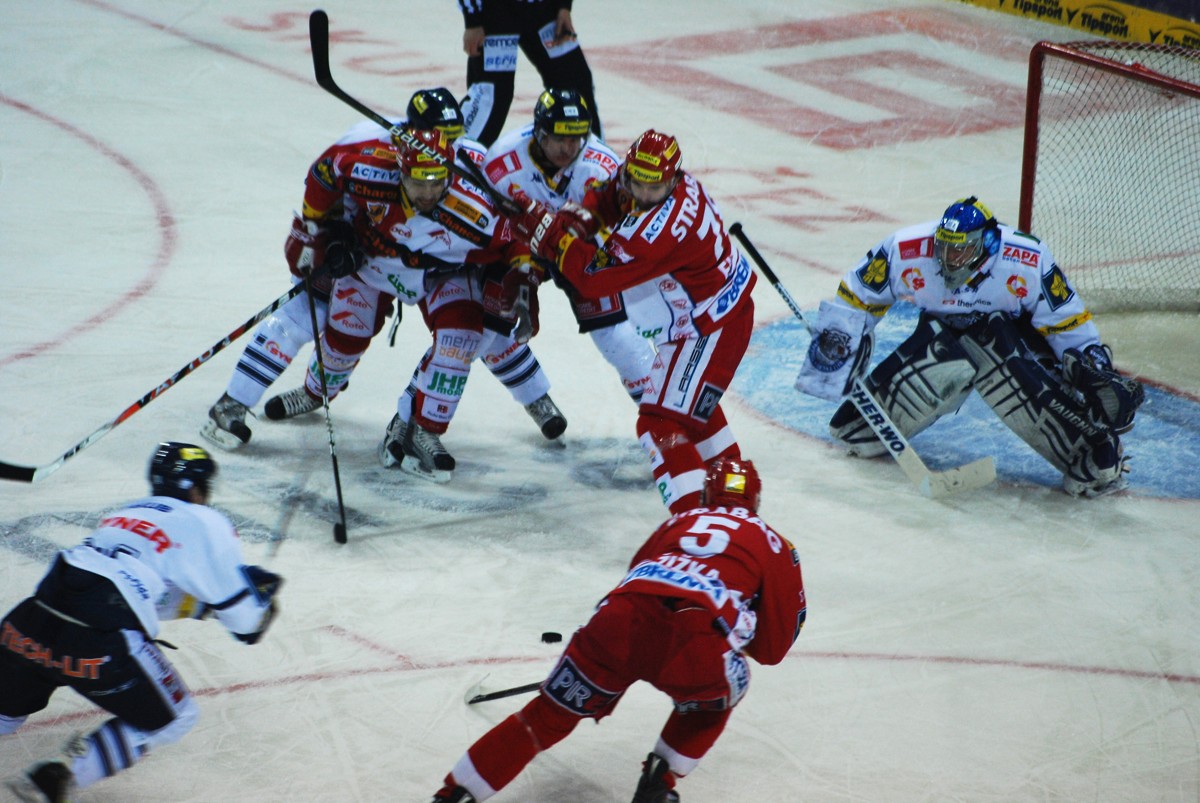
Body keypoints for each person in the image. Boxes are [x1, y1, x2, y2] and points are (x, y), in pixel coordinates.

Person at [428, 457, 806, 803]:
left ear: (706, 494)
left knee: (543, 718)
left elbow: (635, 579)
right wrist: (737, 625)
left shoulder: (676, 522)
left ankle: (454, 795)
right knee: (725, 690)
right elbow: (772, 650)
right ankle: (659, 784)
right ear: (756, 501)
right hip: (696, 638)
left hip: (617, 622)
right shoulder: (774, 543)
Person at [795, 196, 1145, 497]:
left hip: (1010, 345)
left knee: (995, 340)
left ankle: (1090, 446)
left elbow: (1066, 322)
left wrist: (1092, 367)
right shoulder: (905, 249)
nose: (949, 258)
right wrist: (838, 344)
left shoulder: (1026, 258)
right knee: (854, 434)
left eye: (960, 250)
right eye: (944, 247)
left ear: (988, 245)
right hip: (942, 342)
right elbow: (858, 298)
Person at [271, 127, 561, 483]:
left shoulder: (474, 209)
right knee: (345, 338)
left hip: (443, 273)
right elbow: (325, 171)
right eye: (417, 182)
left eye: (436, 182)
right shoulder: (372, 172)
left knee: (461, 338)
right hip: (373, 265)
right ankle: (316, 391)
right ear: (400, 172)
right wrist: (317, 228)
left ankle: (426, 429)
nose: (427, 193)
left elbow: (515, 237)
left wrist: (523, 278)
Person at [0, 443, 282, 802]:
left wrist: (204, 607)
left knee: (4, 714)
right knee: (176, 716)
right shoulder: (204, 520)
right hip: (99, 639)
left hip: (30, 621)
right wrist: (260, 602)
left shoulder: (126, 513)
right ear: (197, 487)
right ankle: (61, 775)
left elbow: (146, 588)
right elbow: (246, 624)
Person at [201, 87, 468, 450]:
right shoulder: (369, 143)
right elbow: (323, 177)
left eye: (451, 138)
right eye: (439, 136)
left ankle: (317, 391)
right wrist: (325, 233)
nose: (445, 145)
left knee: (407, 330)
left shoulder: (446, 158)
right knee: (307, 312)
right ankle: (233, 401)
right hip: (349, 244)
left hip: (411, 256)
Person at [512, 130, 757, 513]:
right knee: (694, 415)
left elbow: (592, 278)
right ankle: (737, 505)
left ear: (673, 180)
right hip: (707, 319)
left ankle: (692, 521)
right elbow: (609, 197)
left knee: (659, 424)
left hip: (710, 327)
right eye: (636, 180)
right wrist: (575, 221)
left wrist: (550, 235)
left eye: (653, 186)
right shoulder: (660, 180)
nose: (642, 193)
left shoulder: (659, 230)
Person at [482, 87, 654, 403]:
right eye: (560, 138)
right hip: (519, 244)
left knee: (617, 334)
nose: (569, 147)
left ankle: (663, 414)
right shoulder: (501, 165)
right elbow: (491, 229)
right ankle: (532, 396)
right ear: (539, 132)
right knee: (484, 322)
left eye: (576, 138)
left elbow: (610, 242)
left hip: (579, 248)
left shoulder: (602, 168)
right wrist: (525, 267)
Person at [458, 0, 602, 147]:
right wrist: (472, 20)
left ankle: (592, 159)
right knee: (490, 96)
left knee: (575, 83)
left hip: (543, 9)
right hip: (495, 13)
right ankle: (459, 156)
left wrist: (563, 6)